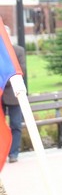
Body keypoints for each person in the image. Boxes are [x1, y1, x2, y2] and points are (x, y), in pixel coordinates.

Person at [1, 25, 26, 163]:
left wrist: (4, 81)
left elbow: (20, 71)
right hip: (0, 96)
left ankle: (13, 153)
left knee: (16, 124)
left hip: (14, 94)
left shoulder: (18, 51)